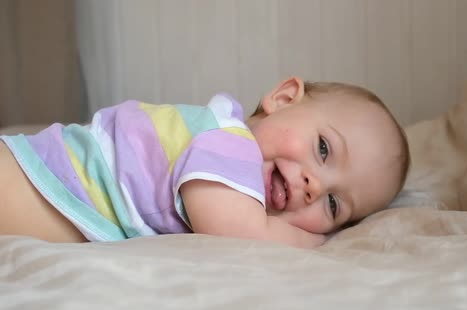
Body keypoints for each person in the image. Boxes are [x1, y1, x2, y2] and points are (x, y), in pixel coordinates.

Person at [0, 77, 410, 248]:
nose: (314, 185)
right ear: (283, 99)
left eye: (334, 205)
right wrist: (314, 242)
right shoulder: (231, 144)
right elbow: (235, 230)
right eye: (323, 149)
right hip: (32, 183)